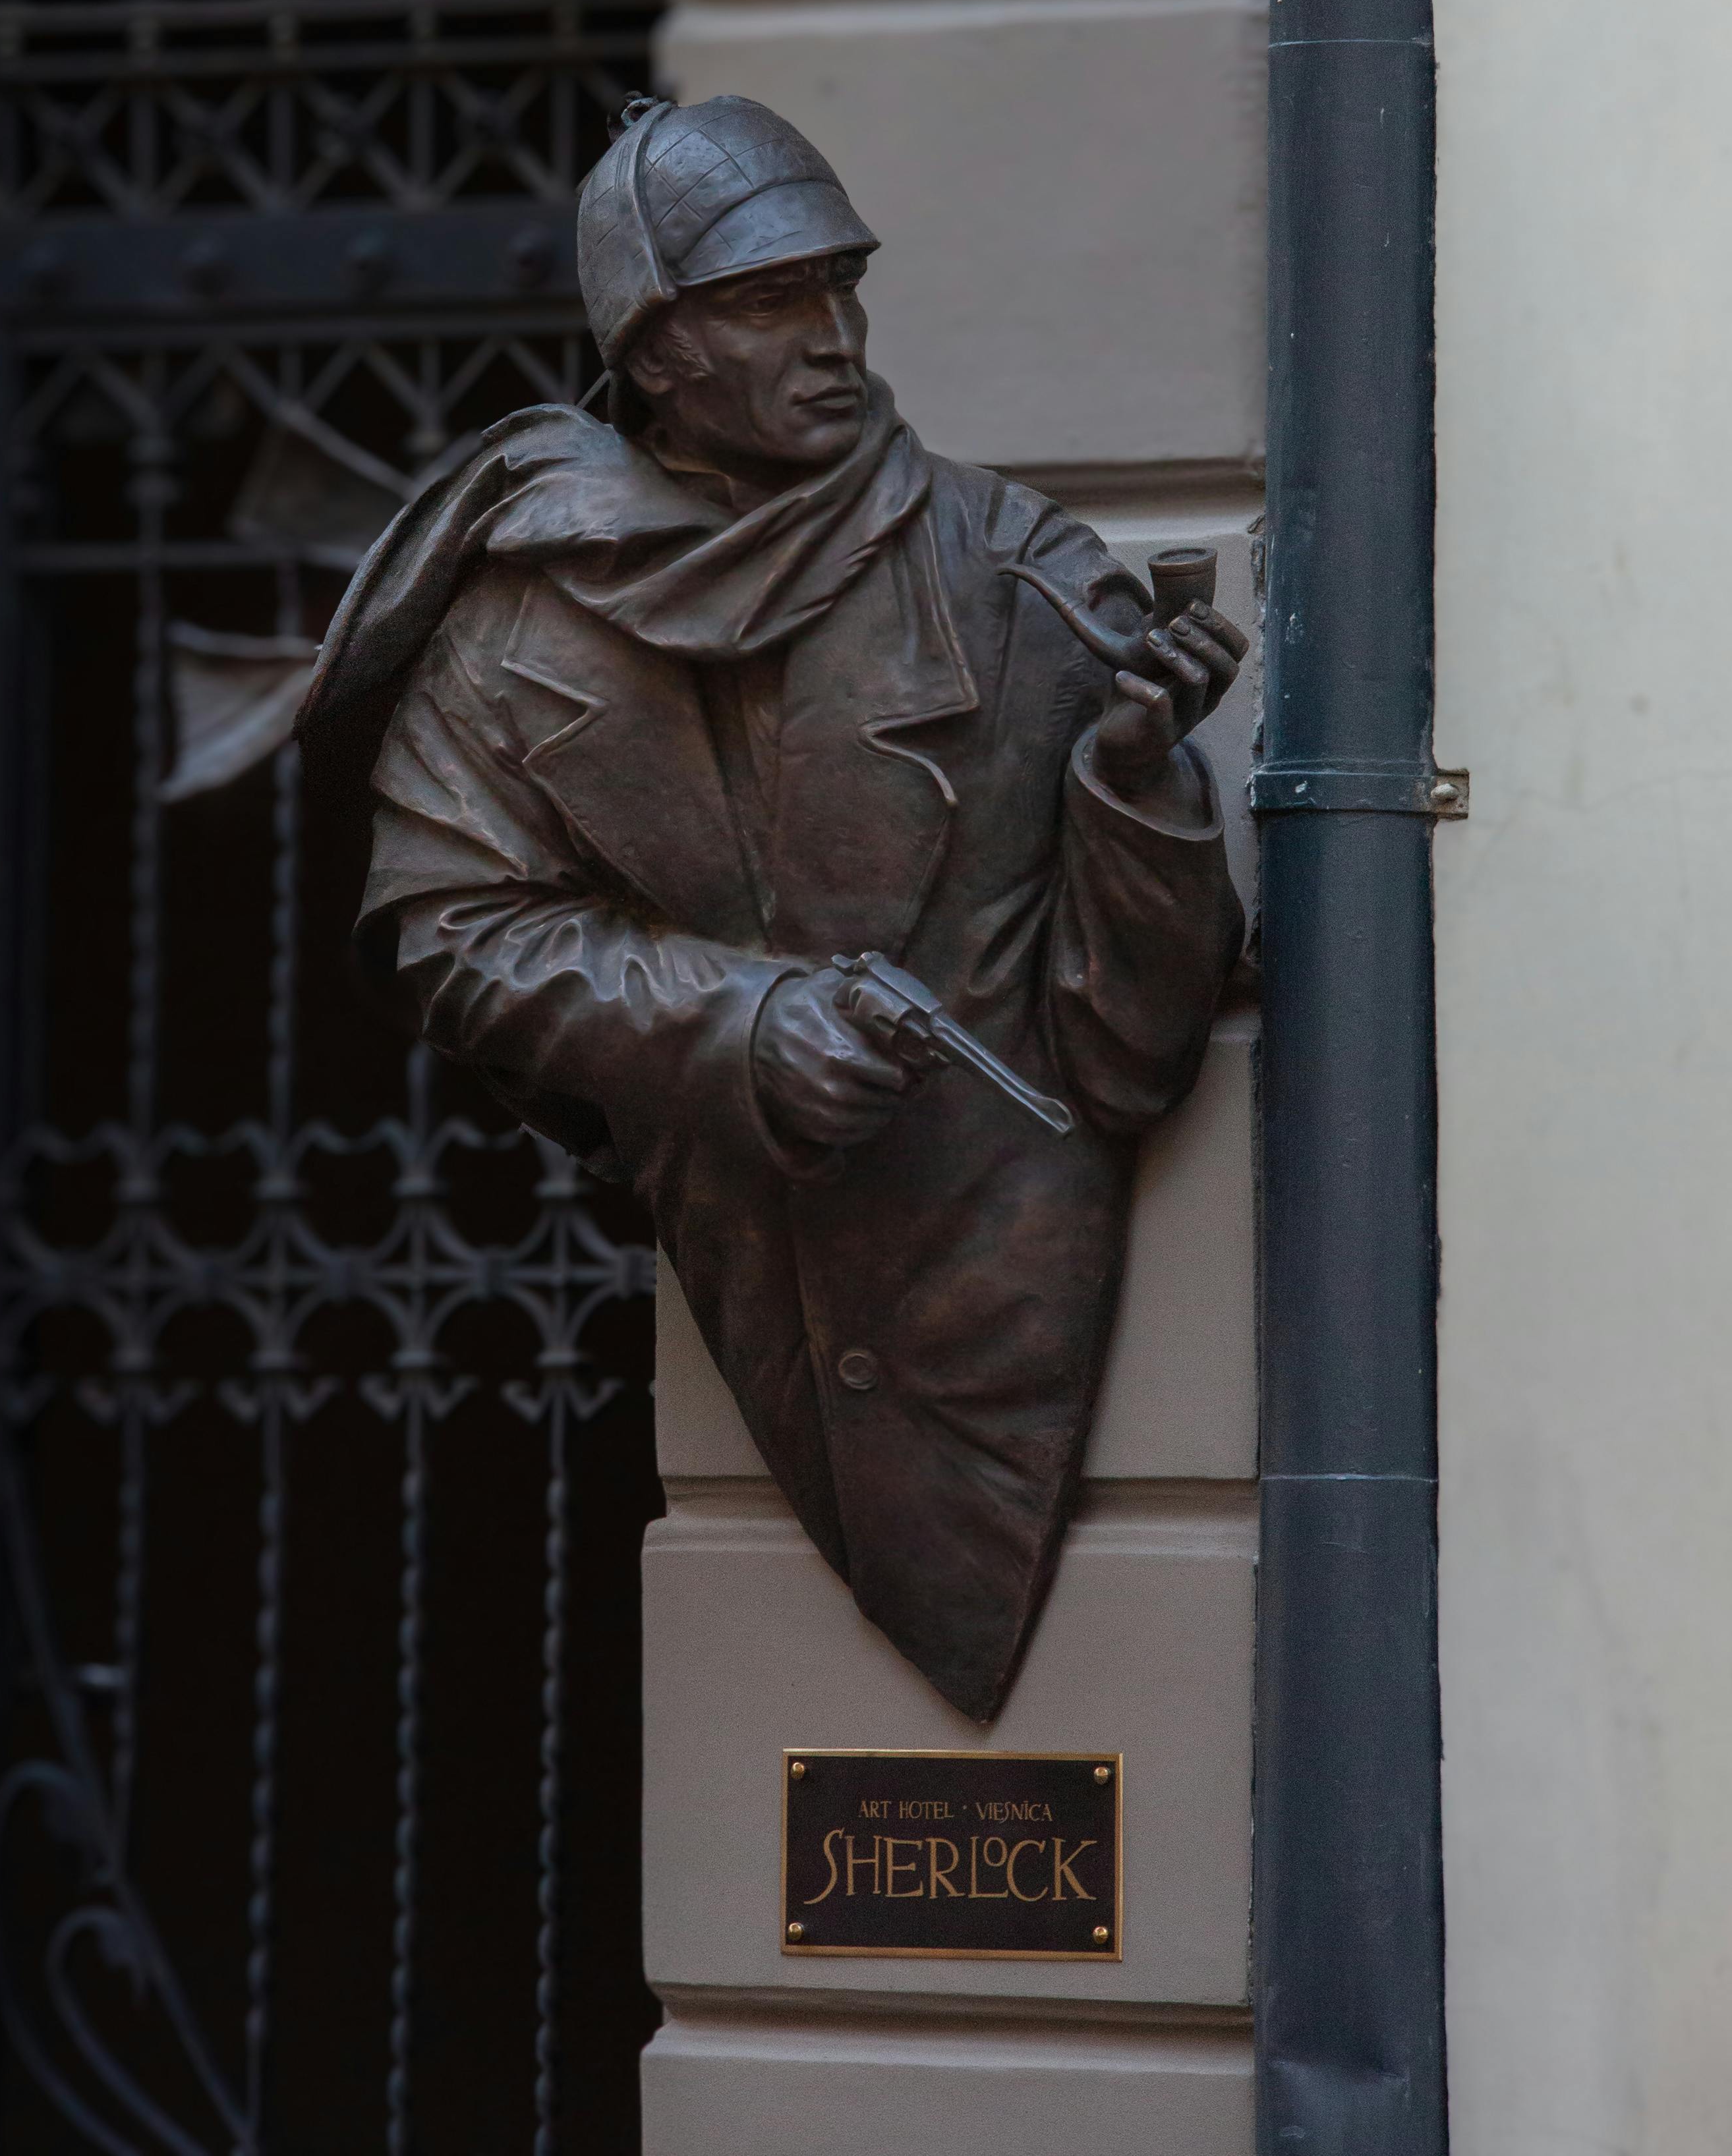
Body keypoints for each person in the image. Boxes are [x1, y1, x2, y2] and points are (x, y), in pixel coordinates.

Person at [298, 94, 1245, 1719]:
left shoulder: (1012, 575)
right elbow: (444, 926)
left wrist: (1133, 782)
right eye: (762, 302)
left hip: (992, 1274)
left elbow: (1129, 1046)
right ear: (655, 354)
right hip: (754, 1249)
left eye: (837, 287)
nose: (829, 337)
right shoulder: (513, 626)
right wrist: (730, 1021)